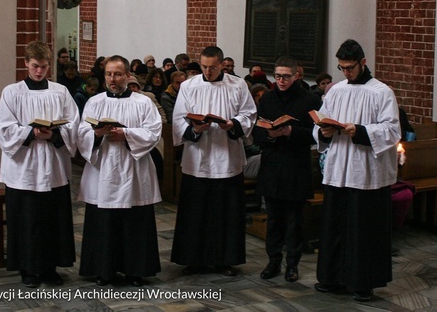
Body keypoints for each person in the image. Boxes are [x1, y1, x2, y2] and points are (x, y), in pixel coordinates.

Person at [312, 39, 400, 303]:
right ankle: (332, 277)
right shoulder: (335, 90)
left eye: (350, 67)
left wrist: (359, 130)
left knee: (364, 230)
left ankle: (363, 283)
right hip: (339, 168)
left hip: (366, 172)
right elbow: (321, 121)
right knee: (335, 226)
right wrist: (324, 130)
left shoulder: (381, 92)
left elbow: (392, 130)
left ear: (363, 62)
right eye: (341, 68)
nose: (346, 73)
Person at [0, 41, 79, 288]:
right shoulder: (12, 92)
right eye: (34, 66)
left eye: (43, 67)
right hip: (24, 169)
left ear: (49, 66)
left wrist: (53, 134)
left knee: (52, 219)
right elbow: (3, 128)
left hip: (53, 166)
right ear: (25, 64)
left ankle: (50, 268)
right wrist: (31, 133)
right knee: (27, 220)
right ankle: (28, 269)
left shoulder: (60, 91)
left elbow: (73, 123)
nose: (39, 72)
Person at [171, 46, 257, 276]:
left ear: (222, 65)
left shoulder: (237, 85)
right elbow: (179, 119)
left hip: (226, 157)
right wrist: (195, 129)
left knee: (224, 212)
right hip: (198, 158)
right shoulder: (189, 86)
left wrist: (233, 124)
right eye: (204, 67)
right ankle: (194, 259)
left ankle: (224, 260)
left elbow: (249, 113)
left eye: (213, 67)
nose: (207, 72)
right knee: (195, 211)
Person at [77, 56, 162, 287]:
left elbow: (154, 132)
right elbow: (82, 132)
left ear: (127, 75)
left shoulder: (142, 102)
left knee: (134, 222)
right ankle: (104, 271)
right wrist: (96, 134)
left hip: (133, 170)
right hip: (102, 170)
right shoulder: (95, 102)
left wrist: (126, 135)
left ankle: (135, 271)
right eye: (108, 74)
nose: (112, 79)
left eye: (117, 74)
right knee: (104, 223)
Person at [252, 57, 321, 283]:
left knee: (294, 220)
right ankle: (273, 261)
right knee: (273, 219)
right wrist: (269, 134)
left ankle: (292, 264)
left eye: (286, 77)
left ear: (296, 76)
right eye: (278, 76)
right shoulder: (268, 99)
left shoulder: (309, 100)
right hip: (272, 164)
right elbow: (257, 133)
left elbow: (316, 133)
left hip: (296, 166)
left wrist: (291, 132)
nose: (281, 80)